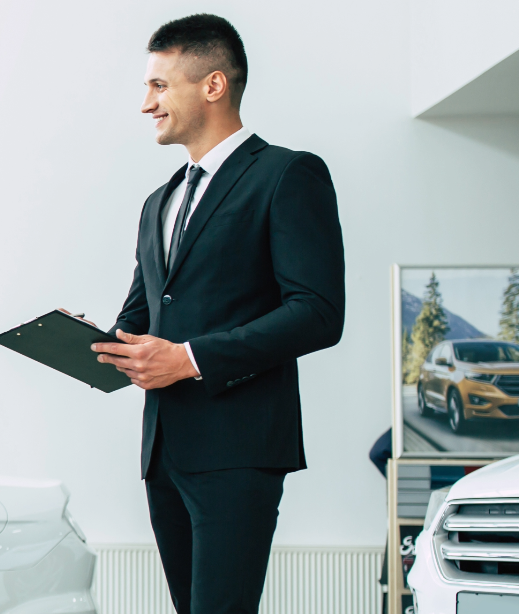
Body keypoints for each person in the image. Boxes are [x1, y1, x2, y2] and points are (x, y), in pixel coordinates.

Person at [90, 14, 345, 614]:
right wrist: (96, 342)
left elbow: (317, 313)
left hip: (239, 447)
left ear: (212, 85)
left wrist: (189, 358)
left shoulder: (287, 174)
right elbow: (140, 319)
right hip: (164, 453)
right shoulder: (159, 202)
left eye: (159, 85)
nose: (147, 104)